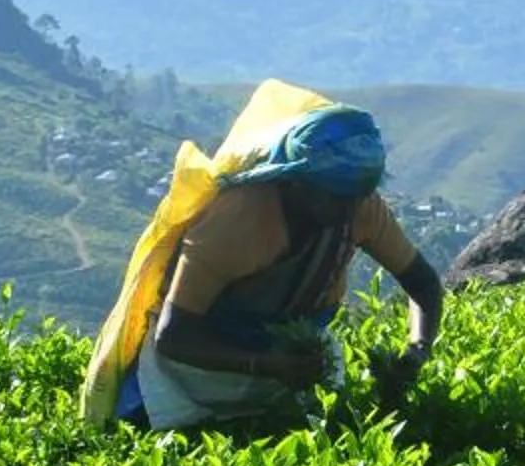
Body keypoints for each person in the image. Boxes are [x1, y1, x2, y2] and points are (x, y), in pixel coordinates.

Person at [112, 102, 444, 431]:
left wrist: (417, 350)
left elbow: (424, 284)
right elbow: (174, 336)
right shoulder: (234, 221)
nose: (348, 209)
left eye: (358, 196)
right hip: (202, 370)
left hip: (296, 366)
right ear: (295, 182)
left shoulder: (361, 207)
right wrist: (265, 365)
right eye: (336, 198)